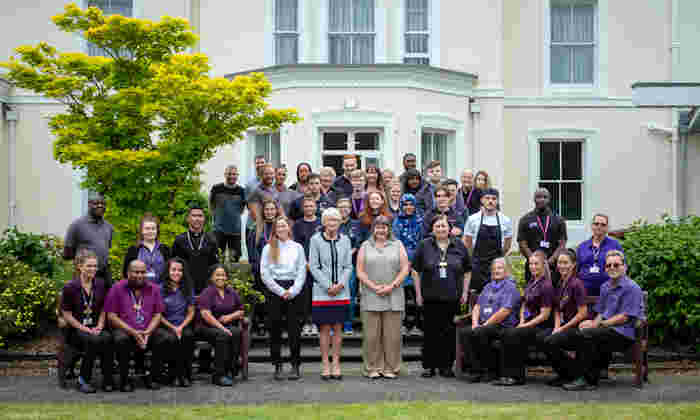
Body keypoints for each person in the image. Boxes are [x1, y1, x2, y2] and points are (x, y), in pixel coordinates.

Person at [562, 250, 643, 391]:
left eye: (616, 265)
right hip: (607, 330)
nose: (612, 268)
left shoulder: (632, 288)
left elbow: (624, 317)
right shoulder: (605, 286)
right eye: (608, 265)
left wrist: (598, 325)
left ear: (625, 266)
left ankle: (589, 381)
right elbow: (601, 312)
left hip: (624, 334)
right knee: (580, 333)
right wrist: (593, 323)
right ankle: (578, 375)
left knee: (588, 335)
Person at [412, 215, 472, 378]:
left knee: (449, 332)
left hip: (452, 297)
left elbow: (467, 271)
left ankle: (446, 366)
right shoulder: (424, 246)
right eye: (437, 226)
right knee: (431, 332)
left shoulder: (459, 245)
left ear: (449, 228)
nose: (441, 229)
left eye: (443, 226)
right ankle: (429, 366)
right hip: (430, 297)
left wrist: (465, 292)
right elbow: (415, 271)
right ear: (433, 229)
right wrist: (418, 294)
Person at [356, 215, 410, 379]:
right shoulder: (365, 245)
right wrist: (373, 287)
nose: (381, 230)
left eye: (384, 227)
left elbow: (405, 268)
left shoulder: (398, 244)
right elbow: (359, 270)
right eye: (378, 227)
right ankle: (372, 367)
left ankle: (390, 368)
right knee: (372, 336)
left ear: (389, 229)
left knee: (392, 336)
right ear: (373, 228)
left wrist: (391, 286)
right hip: (371, 294)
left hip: (393, 294)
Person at [492, 251, 554, 386]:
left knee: (513, 334)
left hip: (541, 327)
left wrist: (526, 326)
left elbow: (545, 315)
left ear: (543, 265)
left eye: (536, 264)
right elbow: (524, 304)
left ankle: (516, 377)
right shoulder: (531, 282)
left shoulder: (546, 285)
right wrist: (521, 321)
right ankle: (505, 374)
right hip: (527, 324)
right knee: (506, 333)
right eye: (531, 264)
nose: (533, 267)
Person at [105, 260, 166, 391]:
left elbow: (158, 314)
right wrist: (133, 332)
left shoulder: (153, 288)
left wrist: (148, 332)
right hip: (124, 330)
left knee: (162, 338)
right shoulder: (117, 288)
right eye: (136, 272)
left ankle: (153, 378)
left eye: (143, 272)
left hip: (146, 330)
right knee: (121, 340)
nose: (140, 275)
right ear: (128, 273)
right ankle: (124, 380)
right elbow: (111, 316)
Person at [458, 258, 521, 383]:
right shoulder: (488, 286)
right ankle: (476, 370)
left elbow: (505, 311)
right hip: (484, 325)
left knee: (482, 332)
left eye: (500, 268)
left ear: (507, 271)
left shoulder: (510, 287)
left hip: (503, 326)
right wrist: (475, 323)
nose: (496, 271)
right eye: (494, 268)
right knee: (465, 332)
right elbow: (477, 306)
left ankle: (490, 371)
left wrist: (485, 324)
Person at [260, 216, 307, 380]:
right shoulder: (268, 248)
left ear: (289, 228)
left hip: (294, 289)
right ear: (275, 229)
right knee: (275, 329)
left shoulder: (298, 247)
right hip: (275, 290)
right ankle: (277, 365)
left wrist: (293, 290)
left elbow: (302, 270)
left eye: (283, 226)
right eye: (278, 226)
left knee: (294, 330)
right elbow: (264, 273)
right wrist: (280, 291)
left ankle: (295, 365)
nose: (281, 229)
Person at [60, 249, 114, 393]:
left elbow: (104, 308)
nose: (93, 269)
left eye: (95, 266)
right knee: (92, 341)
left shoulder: (101, 284)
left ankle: (107, 379)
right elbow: (66, 314)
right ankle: (83, 380)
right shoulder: (70, 287)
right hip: (76, 330)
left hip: (95, 327)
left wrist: (100, 325)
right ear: (79, 266)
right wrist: (84, 328)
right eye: (89, 266)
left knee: (108, 338)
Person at [309, 208, 353, 380]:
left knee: (338, 328)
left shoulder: (346, 240)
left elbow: (348, 266)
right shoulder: (315, 240)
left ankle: (336, 363)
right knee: (325, 329)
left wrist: (340, 284)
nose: (332, 223)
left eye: (336, 220)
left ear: (340, 222)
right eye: (329, 220)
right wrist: (328, 286)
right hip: (322, 292)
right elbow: (313, 266)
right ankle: (325, 364)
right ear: (324, 222)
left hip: (341, 292)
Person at [542, 249, 588, 387]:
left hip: (576, 328)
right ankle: (564, 375)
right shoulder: (560, 283)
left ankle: (576, 375)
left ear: (573, 265)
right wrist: (557, 327)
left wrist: (562, 328)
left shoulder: (577, 284)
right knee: (542, 339)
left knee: (550, 341)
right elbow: (557, 309)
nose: (561, 266)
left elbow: (583, 313)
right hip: (562, 326)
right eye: (559, 263)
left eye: (565, 263)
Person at [197, 264, 245, 387]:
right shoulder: (207, 292)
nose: (221, 277)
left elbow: (241, 310)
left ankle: (231, 370)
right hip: (206, 327)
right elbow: (205, 315)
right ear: (212, 277)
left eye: (223, 275)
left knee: (236, 332)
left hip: (225, 325)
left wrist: (229, 317)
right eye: (217, 275)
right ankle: (218, 375)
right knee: (223, 335)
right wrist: (222, 327)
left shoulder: (231, 291)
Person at [463, 188, 513, 293]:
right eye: (487, 198)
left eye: (494, 199)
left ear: (498, 201)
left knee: (497, 296)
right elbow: (467, 243)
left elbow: (507, 245)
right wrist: (475, 259)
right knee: (475, 296)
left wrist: (498, 259)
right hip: (477, 266)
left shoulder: (506, 220)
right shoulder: (472, 219)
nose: (490, 201)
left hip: (497, 267)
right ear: (482, 200)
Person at [156, 257, 196, 387]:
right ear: (168, 271)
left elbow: (191, 312)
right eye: (173, 270)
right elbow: (158, 315)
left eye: (180, 270)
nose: (176, 273)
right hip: (165, 325)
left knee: (187, 336)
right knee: (172, 339)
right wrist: (173, 327)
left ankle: (184, 374)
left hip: (183, 324)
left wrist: (181, 326)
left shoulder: (187, 288)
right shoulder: (160, 289)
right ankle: (174, 375)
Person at [517, 188, 567, 285]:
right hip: (532, 268)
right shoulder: (525, 219)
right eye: (538, 197)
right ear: (534, 199)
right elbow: (522, 243)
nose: (542, 200)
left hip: (553, 267)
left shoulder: (559, 220)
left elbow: (562, 244)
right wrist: (534, 262)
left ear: (549, 199)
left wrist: (550, 261)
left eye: (545, 197)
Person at [64, 191, 114, 286]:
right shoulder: (77, 225)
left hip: (104, 274)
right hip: (84, 274)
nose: (100, 206)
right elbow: (67, 253)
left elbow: (106, 249)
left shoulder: (109, 227)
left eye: (103, 204)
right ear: (89, 205)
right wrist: (83, 262)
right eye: (96, 203)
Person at [392, 193, 423, 335]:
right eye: (406, 204)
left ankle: (417, 324)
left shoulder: (420, 220)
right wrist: (404, 260)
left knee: (417, 294)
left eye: (411, 204)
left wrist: (414, 260)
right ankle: (405, 324)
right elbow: (395, 241)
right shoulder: (397, 221)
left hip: (417, 261)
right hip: (401, 260)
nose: (409, 207)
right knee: (403, 295)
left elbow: (422, 241)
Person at [171, 206, 219, 294]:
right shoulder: (179, 240)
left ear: (204, 219)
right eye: (194, 216)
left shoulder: (211, 240)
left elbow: (215, 266)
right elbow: (173, 265)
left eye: (200, 216)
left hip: (206, 289)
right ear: (188, 219)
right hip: (184, 288)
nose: (197, 219)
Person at [292, 197, 322, 337]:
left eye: (312, 206)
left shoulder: (321, 223)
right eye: (306, 206)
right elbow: (296, 246)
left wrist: (316, 264)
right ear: (303, 208)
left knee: (317, 294)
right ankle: (305, 323)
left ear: (315, 207)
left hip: (320, 266)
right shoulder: (297, 224)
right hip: (303, 265)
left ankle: (316, 322)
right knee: (304, 295)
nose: (309, 208)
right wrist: (306, 263)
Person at [576, 214, 623, 297]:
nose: (599, 227)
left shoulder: (615, 245)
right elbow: (577, 270)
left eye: (603, 225)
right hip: (585, 293)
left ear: (607, 227)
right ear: (592, 226)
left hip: (609, 293)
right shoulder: (582, 247)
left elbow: (622, 269)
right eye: (596, 224)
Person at [337, 197, 365, 335]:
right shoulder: (332, 223)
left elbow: (359, 243)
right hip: (334, 266)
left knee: (350, 295)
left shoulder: (356, 224)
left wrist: (349, 252)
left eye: (346, 207)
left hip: (350, 265)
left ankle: (348, 324)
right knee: (334, 295)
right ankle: (336, 324)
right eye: (341, 206)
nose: (343, 209)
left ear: (350, 209)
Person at [209, 165, 246, 262]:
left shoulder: (241, 191)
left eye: (234, 174)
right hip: (218, 230)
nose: (232, 176)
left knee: (235, 258)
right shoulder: (216, 188)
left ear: (237, 176)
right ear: (225, 175)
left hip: (235, 230)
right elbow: (211, 206)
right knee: (216, 258)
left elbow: (242, 209)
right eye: (229, 174)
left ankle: (233, 277)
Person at [122, 213, 171, 285]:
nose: (150, 231)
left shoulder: (165, 249)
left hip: (161, 291)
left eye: (153, 229)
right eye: (147, 228)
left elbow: (170, 272)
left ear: (157, 231)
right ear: (142, 231)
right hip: (139, 290)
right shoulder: (133, 250)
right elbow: (126, 273)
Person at [245, 163, 279, 257]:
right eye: (266, 174)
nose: (269, 176)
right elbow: (255, 215)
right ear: (261, 175)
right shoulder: (256, 191)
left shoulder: (274, 189)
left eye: (271, 173)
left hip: (270, 227)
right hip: (258, 230)